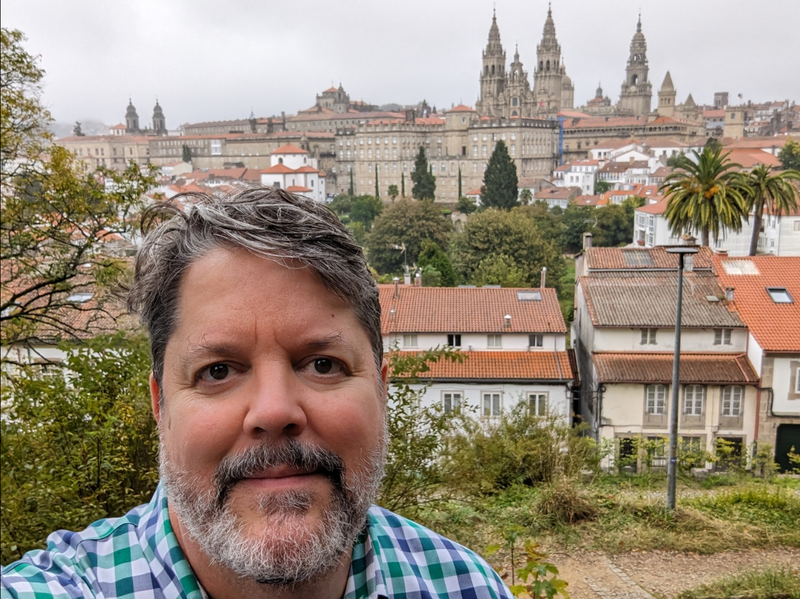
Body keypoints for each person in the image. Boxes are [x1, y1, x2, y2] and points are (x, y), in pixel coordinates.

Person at [2, 188, 513, 599]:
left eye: (322, 364)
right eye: (218, 371)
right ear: (161, 405)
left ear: (381, 390)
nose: (273, 410)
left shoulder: (466, 586)